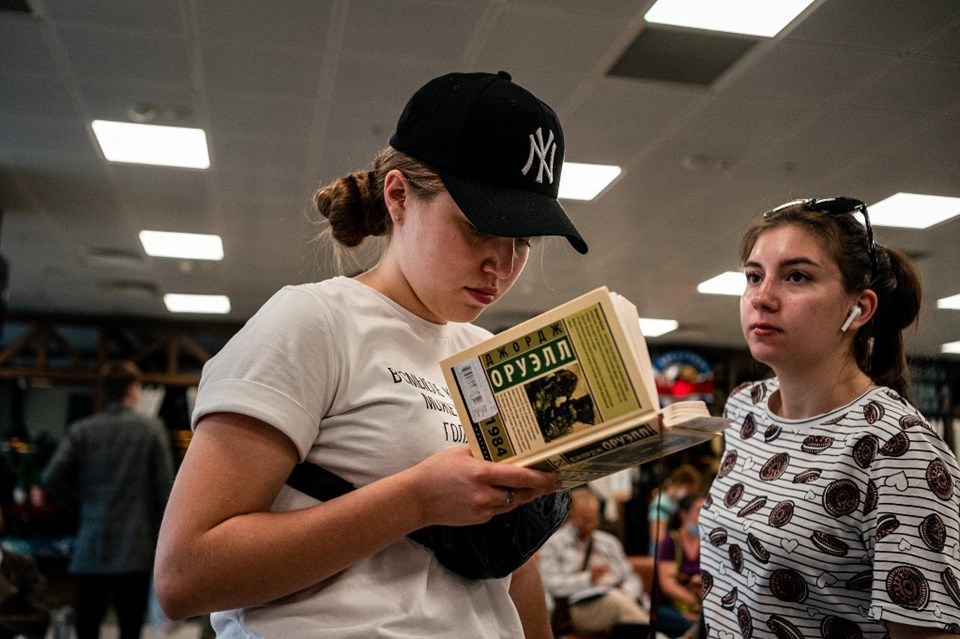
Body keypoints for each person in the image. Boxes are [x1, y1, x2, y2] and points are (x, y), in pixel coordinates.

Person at [152, 71, 588, 639]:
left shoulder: (490, 355)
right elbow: (185, 575)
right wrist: (415, 500)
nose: (502, 265)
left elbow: (510, 569)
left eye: (524, 240)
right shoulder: (315, 322)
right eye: (480, 228)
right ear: (399, 196)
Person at [699, 197, 960, 637]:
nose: (762, 297)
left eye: (796, 276)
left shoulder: (899, 446)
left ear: (859, 308)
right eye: (753, 276)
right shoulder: (745, 407)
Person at [41, 360, 175, 639]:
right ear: (132, 390)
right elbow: (166, 491)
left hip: (91, 544)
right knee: (130, 626)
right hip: (135, 546)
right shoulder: (151, 430)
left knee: (87, 626)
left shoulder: (83, 430)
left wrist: (81, 504)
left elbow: (51, 477)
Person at [539, 488, 652, 637]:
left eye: (594, 519)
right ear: (571, 516)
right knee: (618, 605)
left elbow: (631, 576)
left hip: (619, 598)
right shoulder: (554, 543)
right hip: (576, 607)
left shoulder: (608, 542)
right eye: (585, 520)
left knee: (628, 608)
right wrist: (588, 578)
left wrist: (627, 593)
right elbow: (550, 584)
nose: (591, 524)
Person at [654, 494, 704, 638]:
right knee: (695, 627)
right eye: (699, 510)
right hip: (671, 606)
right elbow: (668, 584)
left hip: (699, 607)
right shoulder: (671, 541)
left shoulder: (707, 543)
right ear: (684, 514)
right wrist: (694, 604)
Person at [647, 464, 702, 554]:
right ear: (682, 485)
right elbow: (657, 537)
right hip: (662, 554)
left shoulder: (676, 503)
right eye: (689, 491)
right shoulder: (660, 504)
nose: (689, 496)